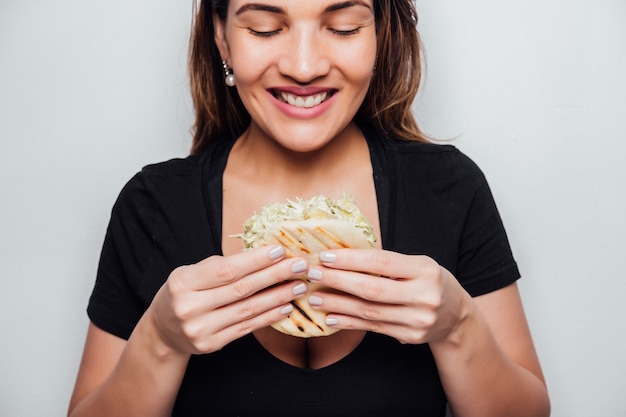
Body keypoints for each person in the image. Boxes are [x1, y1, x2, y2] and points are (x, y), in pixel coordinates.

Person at [68, 1, 551, 416]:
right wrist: (160, 340)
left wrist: (457, 326)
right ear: (221, 37)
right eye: (265, 28)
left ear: (381, 33)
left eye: (343, 27)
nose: (304, 67)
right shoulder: (151, 206)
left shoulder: (450, 188)